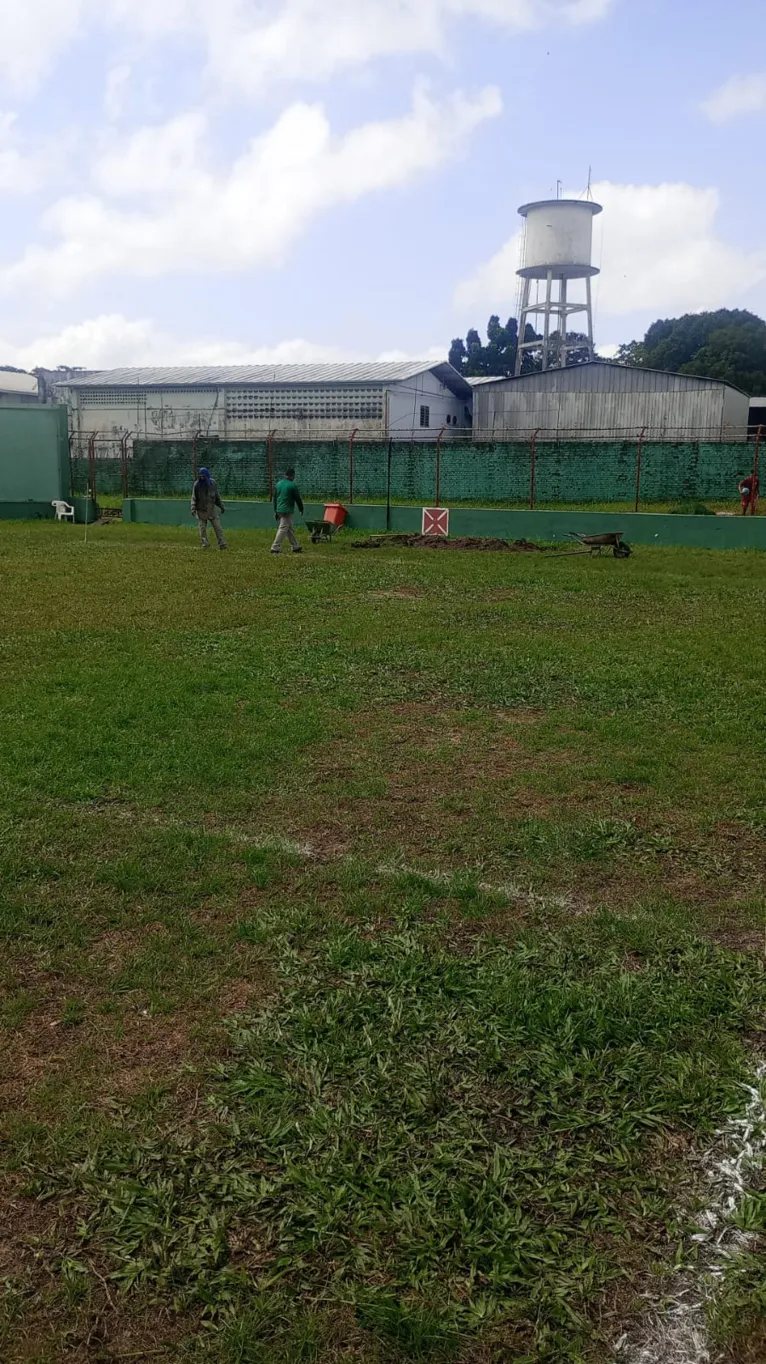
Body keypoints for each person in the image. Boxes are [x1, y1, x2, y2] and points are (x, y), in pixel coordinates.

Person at [191, 467, 227, 549]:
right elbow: (193, 497)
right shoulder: (196, 485)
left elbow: (217, 496)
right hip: (201, 510)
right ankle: (205, 544)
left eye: (204, 476)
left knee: (218, 527)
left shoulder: (213, 483)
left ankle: (222, 543)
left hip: (211, 509)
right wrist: (193, 508)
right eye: (201, 476)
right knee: (202, 528)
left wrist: (221, 506)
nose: (202, 478)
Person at [271, 467, 304, 554]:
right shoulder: (292, 485)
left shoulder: (278, 484)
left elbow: (275, 499)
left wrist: (275, 511)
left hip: (279, 509)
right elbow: (298, 499)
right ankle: (275, 547)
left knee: (289, 528)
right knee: (283, 528)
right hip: (287, 510)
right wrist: (301, 508)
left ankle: (295, 546)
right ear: (293, 475)